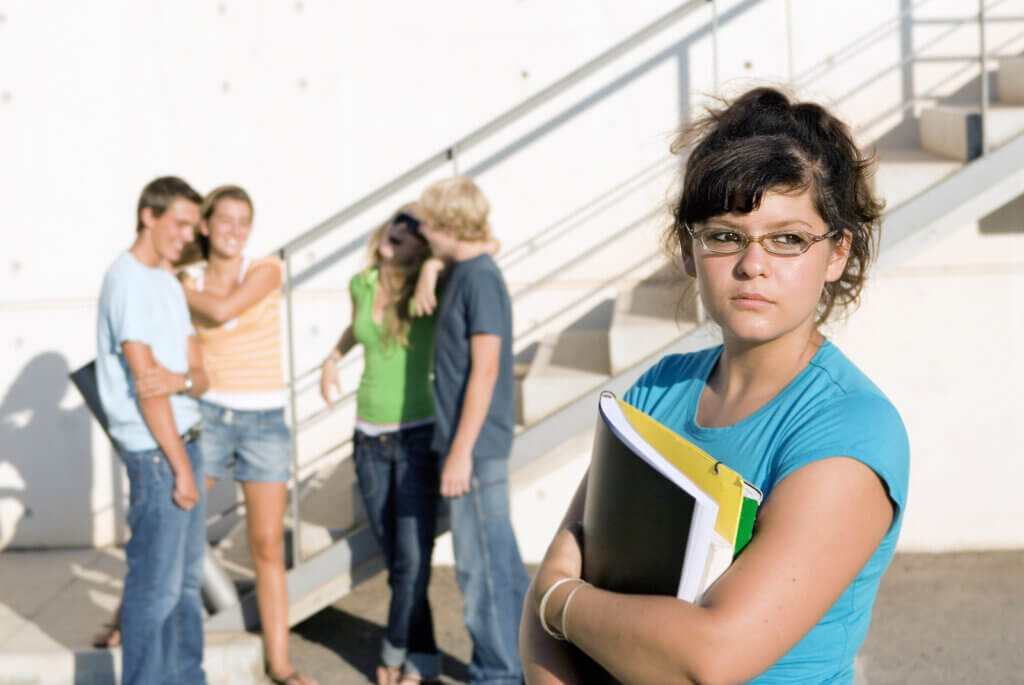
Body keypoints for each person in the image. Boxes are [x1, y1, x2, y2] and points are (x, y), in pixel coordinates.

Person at [520, 87, 911, 684]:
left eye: (788, 239)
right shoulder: (656, 392)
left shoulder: (850, 429)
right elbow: (538, 630)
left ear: (837, 253)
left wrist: (562, 605)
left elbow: (709, 660)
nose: (754, 263)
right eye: (726, 235)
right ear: (688, 250)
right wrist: (550, 609)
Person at [178, 185, 316, 685]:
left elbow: (220, 311)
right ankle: (126, 617)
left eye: (244, 221)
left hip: (264, 422)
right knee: (174, 523)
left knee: (266, 545)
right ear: (206, 225)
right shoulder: (186, 276)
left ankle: (279, 664)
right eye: (226, 220)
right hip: (208, 416)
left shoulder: (266, 269)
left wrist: (174, 288)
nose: (235, 230)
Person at [319, 204, 444, 685]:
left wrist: (434, 265)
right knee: (399, 562)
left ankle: (394, 651)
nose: (400, 230)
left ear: (424, 244)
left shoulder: (431, 285)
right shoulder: (363, 283)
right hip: (368, 438)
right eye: (398, 222)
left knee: (413, 559)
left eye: (414, 230)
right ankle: (424, 658)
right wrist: (333, 356)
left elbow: (483, 249)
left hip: (416, 438)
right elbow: (359, 327)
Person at [95, 176, 210, 684]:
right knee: (154, 591)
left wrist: (182, 379)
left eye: (192, 226)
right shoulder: (126, 280)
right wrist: (181, 469)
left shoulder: (167, 281)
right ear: (149, 215)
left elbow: (201, 375)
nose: (189, 236)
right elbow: (148, 387)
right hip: (159, 456)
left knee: (185, 588)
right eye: (181, 223)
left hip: (188, 443)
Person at [417, 177, 531, 685]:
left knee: (481, 570)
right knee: (499, 565)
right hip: (472, 445)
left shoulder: (480, 278)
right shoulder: (464, 269)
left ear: (449, 225)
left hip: (476, 449)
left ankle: (499, 674)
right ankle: (525, 664)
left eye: (427, 222)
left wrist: (459, 452)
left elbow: (486, 370)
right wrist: (429, 266)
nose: (420, 230)